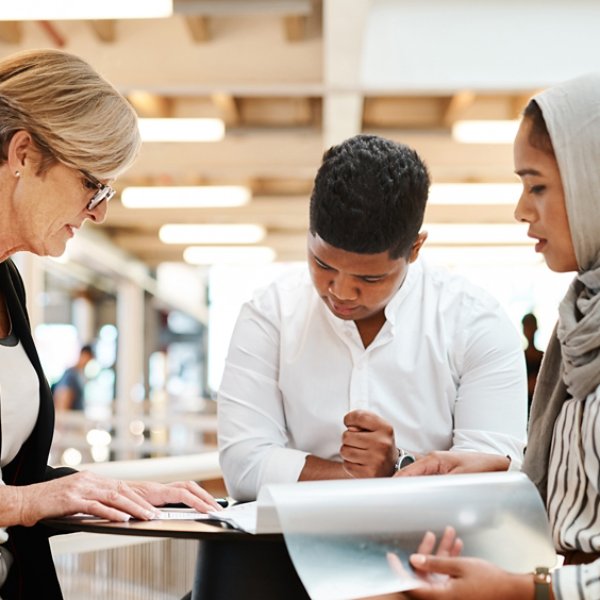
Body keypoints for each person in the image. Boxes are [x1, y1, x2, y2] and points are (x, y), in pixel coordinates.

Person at [0, 48, 221, 600]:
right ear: (23, 155)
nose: (99, 211)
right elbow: (16, 497)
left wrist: (114, 490)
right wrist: (24, 504)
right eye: (92, 183)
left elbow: (15, 474)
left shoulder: (8, 284)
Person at [217, 133, 528, 502]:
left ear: (414, 249)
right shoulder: (269, 315)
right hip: (287, 552)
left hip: (432, 549)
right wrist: (370, 479)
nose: (341, 292)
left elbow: (490, 475)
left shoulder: (477, 323)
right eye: (322, 264)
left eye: (369, 278)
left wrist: (395, 467)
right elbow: (244, 467)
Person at [391, 73, 600, 599]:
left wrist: (523, 590)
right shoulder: (581, 320)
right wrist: (505, 472)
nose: (521, 209)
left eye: (538, 185)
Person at [52, 343, 95, 411]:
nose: (88, 362)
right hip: (71, 419)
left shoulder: (80, 375)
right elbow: (63, 401)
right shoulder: (71, 375)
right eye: (88, 358)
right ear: (83, 355)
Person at [522, 312, 544, 416]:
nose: (529, 330)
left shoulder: (543, 357)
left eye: (531, 326)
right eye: (527, 326)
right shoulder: (520, 357)